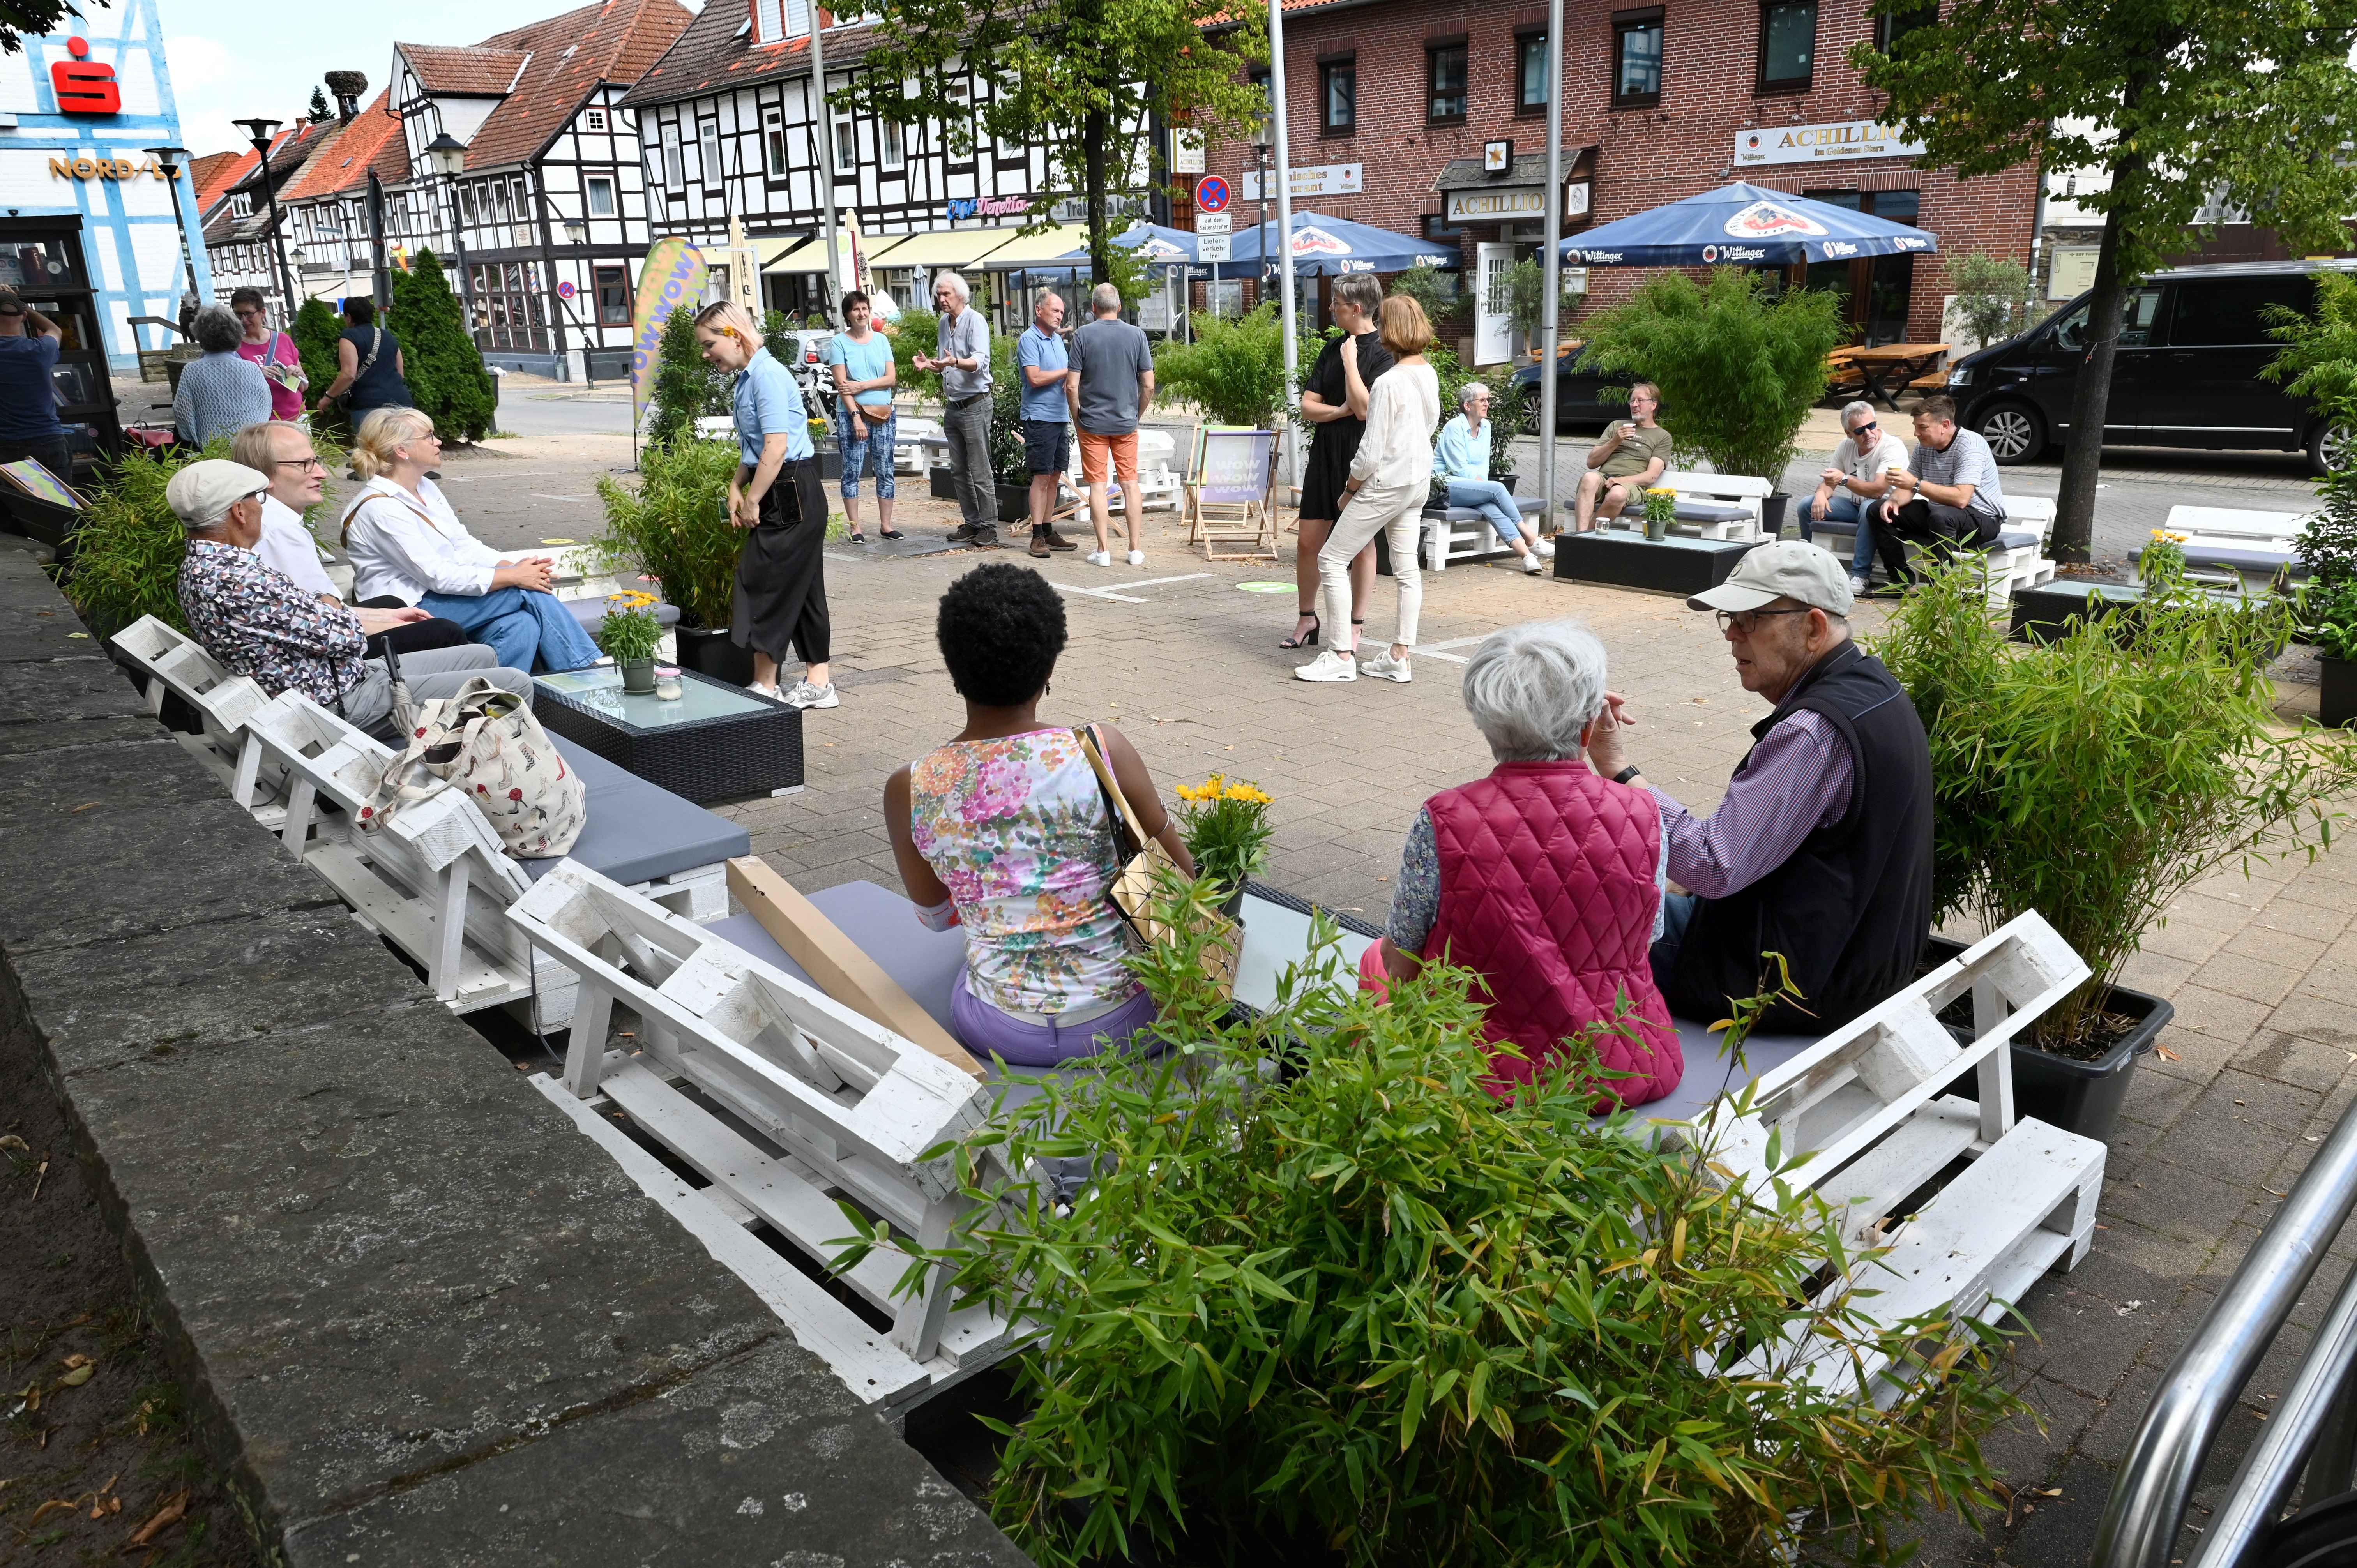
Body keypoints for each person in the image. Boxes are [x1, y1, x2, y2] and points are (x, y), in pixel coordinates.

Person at [1583, 540, 1934, 1034]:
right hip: (1853, 965)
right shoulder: (1875, 687)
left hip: (1779, 984)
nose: (1731, 634)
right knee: (1636, 884)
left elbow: (1712, 866)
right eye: (1730, 617)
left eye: (1750, 619)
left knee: (1574, 904)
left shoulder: (1813, 731)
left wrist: (1617, 769)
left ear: (1812, 627)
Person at [883, 562, 1195, 1065]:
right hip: (1129, 1021)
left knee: (967, 970)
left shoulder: (910, 787)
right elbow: (1183, 876)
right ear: (1049, 667)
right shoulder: (1100, 749)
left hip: (998, 1029)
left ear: (952, 667)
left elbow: (938, 918)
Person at [1366, 620, 1680, 1105]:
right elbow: (1649, 936)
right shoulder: (1646, 813)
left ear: (1485, 720)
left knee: (1375, 955)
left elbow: (1403, 953)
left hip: (1468, 1071)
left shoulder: (1444, 818)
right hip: (1621, 1067)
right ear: (1590, 725)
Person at [168, 458, 528, 743]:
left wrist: (382, 617)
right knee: (515, 684)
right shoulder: (240, 579)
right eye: (258, 499)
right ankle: (517, 788)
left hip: (329, 681)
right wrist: (382, 619)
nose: (263, 508)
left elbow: (314, 615)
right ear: (239, 512)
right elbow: (346, 637)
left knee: (483, 655)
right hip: (337, 701)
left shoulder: (203, 567)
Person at [339, 408, 604, 675]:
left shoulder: (425, 487)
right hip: (407, 609)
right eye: (429, 436)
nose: (438, 442)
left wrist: (515, 567)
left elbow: (463, 545)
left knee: (521, 624)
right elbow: (437, 576)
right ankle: (586, 676)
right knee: (524, 591)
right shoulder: (381, 507)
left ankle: (498, 704)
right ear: (402, 451)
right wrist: (515, 577)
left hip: (441, 597)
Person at [697, 300, 838, 709]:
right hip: (790, 488)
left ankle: (765, 684)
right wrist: (737, 484)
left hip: (790, 490)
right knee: (806, 590)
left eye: (709, 345)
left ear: (733, 336)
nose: (707, 354)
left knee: (758, 583)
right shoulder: (750, 377)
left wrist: (753, 499)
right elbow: (758, 448)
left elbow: (776, 447)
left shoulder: (766, 376)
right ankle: (819, 684)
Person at [1295, 295, 1440, 686]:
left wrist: (1349, 490)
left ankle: (1341, 653)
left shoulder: (1390, 381)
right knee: (1408, 568)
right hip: (1416, 483)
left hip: (1385, 484)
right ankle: (1400, 655)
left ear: (1392, 328)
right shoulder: (1428, 372)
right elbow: (1429, 426)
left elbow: (1371, 450)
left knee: (1331, 559)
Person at [229, 420, 467, 657]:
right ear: (262, 476)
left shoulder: (271, 518)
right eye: (306, 464)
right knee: (444, 631)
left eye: (317, 461)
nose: (322, 473)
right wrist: (395, 625)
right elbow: (323, 617)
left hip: (312, 630)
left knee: (393, 604)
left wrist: (388, 616)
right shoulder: (280, 530)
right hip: (318, 657)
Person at [1283, 273, 1392, 650]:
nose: (1331, 309)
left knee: (1361, 544)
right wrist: (1339, 410)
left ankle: (1355, 624)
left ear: (1357, 308)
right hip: (1326, 451)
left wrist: (1351, 364)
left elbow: (1365, 411)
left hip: (1360, 456)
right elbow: (1308, 407)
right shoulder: (1332, 348)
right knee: (1308, 541)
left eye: (1337, 304)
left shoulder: (1383, 352)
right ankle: (1307, 617)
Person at [1872, 395, 2007, 586]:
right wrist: (1894, 500)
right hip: (1941, 515)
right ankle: (1900, 582)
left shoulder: (1971, 446)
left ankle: (1941, 590)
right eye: (1915, 426)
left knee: (1942, 516)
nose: (1916, 433)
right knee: (1878, 510)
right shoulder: (1924, 447)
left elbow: (1961, 499)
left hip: (1982, 520)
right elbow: (1908, 489)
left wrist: (1916, 483)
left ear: (1944, 425)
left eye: (1922, 427)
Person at [1067, 282, 1156, 569]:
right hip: (1126, 422)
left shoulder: (1082, 336)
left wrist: (1077, 417)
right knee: (1130, 483)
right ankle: (1134, 550)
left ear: (1093, 308)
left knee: (1098, 485)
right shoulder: (1137, 336)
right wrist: (1137, 414)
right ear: (1119, 307)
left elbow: (1071, 386)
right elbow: (1150, 385)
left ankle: (1103, 551)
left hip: (1091, 423)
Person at [1433, 381, 1552, 575]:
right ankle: (1531, 538)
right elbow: (1459, 468)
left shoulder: (1486, 427)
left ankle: (1526, 556)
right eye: (1482, 400)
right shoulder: (1454, 427)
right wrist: (1486, 487)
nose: (1487, 403)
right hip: (1446, 486)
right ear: (1467, 405)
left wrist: (1484, 488)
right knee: (1496, 489)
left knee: (1491, 506)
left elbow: (1483, 466)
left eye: (1488, 399)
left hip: (1471, 488)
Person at [913, 271, 995, 547]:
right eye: (938, 295)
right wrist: (933, 364)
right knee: (959, 470)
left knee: (980, 468)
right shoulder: (943, 323)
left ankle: (989, 527)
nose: (941, 299)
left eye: (946, 294)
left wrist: (955, 362)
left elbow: (980, 362)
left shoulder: (976, 321)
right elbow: (946, 362)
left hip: (975, 403)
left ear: (961, 295)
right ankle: (972, 523)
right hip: (954, 405)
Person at [824, 290, 903, 545]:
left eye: (865, 309)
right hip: (852, 416)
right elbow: (842, 385)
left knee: (886, 469)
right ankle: (855, 527)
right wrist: (856, 417)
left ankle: (886, 525)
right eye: (856, 309)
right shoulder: (839, 343)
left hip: (884, 414)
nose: (862, 313)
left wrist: (862, 386)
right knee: (852, 470)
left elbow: (891, 379)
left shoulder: (881, 341)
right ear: (848, 314)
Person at [1804, 400, 1907, 594]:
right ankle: (1807, 564)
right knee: (1806, 504)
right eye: (1860, 431)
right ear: (1849, 433)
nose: (1869, 434)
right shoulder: (1846, 446)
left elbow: (1878, 490)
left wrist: (1844, 479)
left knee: (1869, 507)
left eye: (1872, 426)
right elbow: (1829, 481)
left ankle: (1861, 575)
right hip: (1856, 506)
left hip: (1887, 510)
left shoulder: (1892, 446)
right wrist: (1820, 494)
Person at [1014, 291, 1076, 559]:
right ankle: (1036, 536)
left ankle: (1049, 530)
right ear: (1039, 311)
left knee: (1054, 476)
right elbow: (1036, 378)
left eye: (1062, 312)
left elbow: (1061, 375)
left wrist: (1068, 377)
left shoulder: (1057, 341)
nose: (1059, 316)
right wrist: (1068, 371)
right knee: (1041, 476)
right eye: (1055, 311)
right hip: (1040, 418)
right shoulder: (1029, 339)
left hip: (1060, 416)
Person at [1572, 382, 1672, 532]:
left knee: (1618, 493)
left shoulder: (1662, 437)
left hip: (1631, 486)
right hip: (1604, 479)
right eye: (1632, 401)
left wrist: (1619, 481)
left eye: (1640, 401)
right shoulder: (1617, 426)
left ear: (1653, 405)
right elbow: (1592, 463)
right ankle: (1580, 536)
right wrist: (1616, 441)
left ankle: (1586, 536)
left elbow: (1651, 477)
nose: (1635, 405)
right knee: (1589, 478)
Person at [172, 305, 273, 449]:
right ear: (237, 333)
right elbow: (265, 409)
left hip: (211, 449)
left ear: (200, 335)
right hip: (250, 447)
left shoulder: (192, 371)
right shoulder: (252, 368)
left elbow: (183, 413)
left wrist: (195, 440)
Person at [0, 287, 69, 478]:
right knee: (59, 504)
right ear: (22, 317)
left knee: (15, 506)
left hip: (6, 443)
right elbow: (54, 330)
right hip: (49, 439)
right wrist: (24, 306)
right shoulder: (40, 349)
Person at [314, 298, 412, 422]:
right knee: (403, 441)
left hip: (370, 407)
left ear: (349, 317)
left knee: (372, 442)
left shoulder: (349, 337)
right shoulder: (388, 336)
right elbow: (400, 374)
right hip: (401, 403)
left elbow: (349, 374)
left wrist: (328, 397)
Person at [230, 288, 307, 423]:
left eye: (249, 314)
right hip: (263, 422)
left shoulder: (283, 339)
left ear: (262, 313)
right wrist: (257, 375)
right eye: (238, 314)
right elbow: (232, 391)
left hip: (298, 417)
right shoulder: (233, 347)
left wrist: (297, 374)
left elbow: (304, 387)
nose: (243, 320)